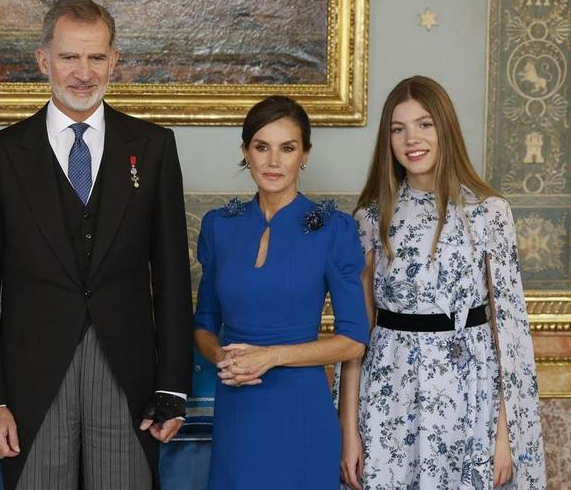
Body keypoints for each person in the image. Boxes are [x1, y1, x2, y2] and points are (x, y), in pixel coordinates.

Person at [0, 0, 193, 489]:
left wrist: (173, 385)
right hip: (32, 384)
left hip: (128, 379)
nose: (83, 73)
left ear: (114, 61)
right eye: (69, 57)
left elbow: (172, 276)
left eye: (95, 58)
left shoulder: (153, 148)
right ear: (44, 60)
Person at [338, 76, 545, 489]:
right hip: (389, 395)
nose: (411, 139)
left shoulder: (489, 212)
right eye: (398, 129)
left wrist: (505, 436)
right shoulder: (371, 217)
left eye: (424, 124)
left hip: (470, 394)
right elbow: (355, 337)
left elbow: (510, 334)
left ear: (445, 128)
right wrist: (349, 432)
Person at [193, 95, 369, 488]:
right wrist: (221, 355)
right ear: (245, 151)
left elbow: (354, 341)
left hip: (301, 409)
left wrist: (272, 357)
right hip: (237, 405)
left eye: (287, 148)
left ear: (305, 154)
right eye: (261, 147)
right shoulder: (220, 227)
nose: (273, 162)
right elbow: (204, 322)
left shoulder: (333, 230)